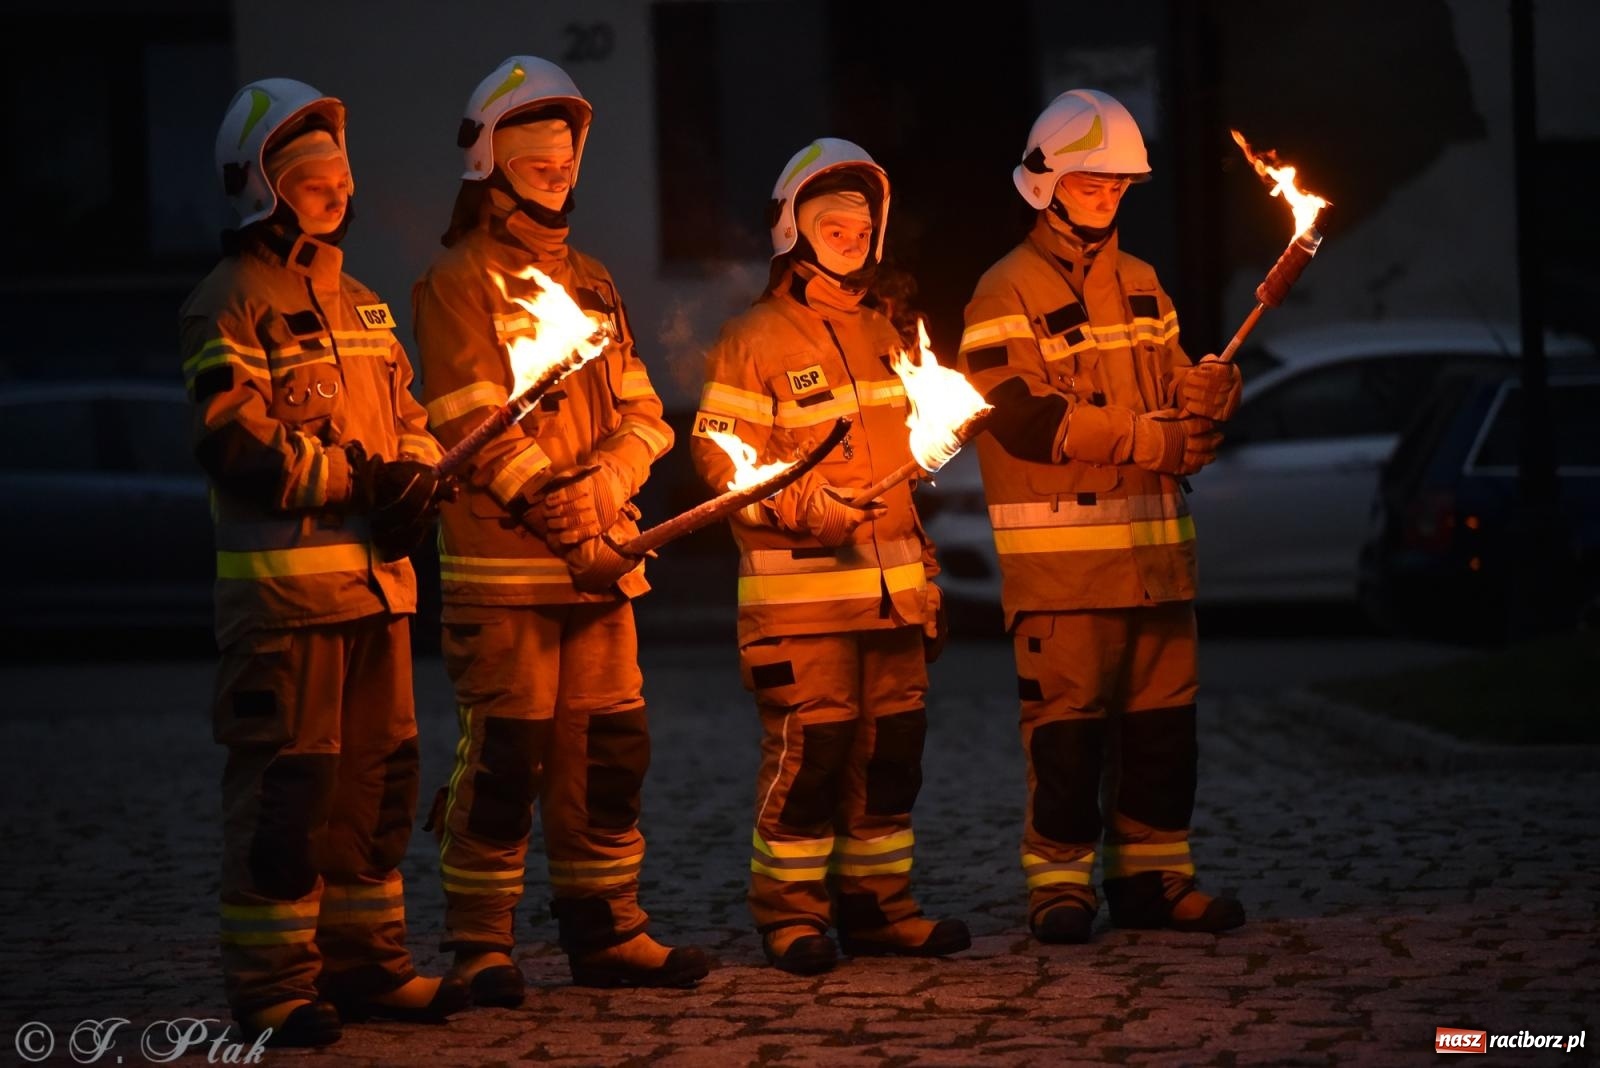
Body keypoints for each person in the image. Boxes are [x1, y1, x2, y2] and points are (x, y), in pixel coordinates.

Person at [412, 55, 708, 1002]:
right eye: (533, 150)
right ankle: (480, 943)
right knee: (503, 761)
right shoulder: (456, 282)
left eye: (565, 150)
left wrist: (613, 478)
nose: (554, 165)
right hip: (507, 577)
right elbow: (467, 418)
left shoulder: (593, 280)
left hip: (603, 569)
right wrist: (561, 507)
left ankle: (608, 932)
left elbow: (645, 412)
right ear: (489, 160)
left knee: (611, 759)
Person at [180, 77, 466, 1047]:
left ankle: (370, 968)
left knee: (378, 788)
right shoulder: (225, 305)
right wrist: (359, 479)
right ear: (261, 185)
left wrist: (420, 475)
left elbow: (413, 426)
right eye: (311, 179)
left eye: (339, 176)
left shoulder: (366, 306)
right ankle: (271, 986)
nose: (334, 191)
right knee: (285, 797)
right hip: (286, 608)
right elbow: (237, 446)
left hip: (379, 597)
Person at [956, 89, 1246, 944]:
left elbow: (1178, 416)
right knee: (1067, 742)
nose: (1106, 195)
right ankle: (1060, 888)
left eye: (1119, 183)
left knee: (1164, 735)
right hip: (1062, 575)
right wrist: (1152, 441)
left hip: (1157, 566)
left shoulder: (1146, 284)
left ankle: (1156, 884)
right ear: (1045, 181)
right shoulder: (1002, 290)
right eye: (1090, 180)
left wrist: (1209, 400)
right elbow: (1022, 417)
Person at [689, 138, 972, 975]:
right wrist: (807, 504)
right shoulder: (753, 336)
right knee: (810, 764)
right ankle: (790, 918)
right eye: (830, 222)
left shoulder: (892, 332)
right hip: (802, 606)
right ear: (795, 231)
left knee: (891, 763)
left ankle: (880, 910)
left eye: (860, 223)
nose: (849, 235)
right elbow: (716, 455)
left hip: (896, 599)